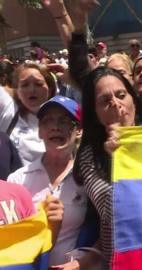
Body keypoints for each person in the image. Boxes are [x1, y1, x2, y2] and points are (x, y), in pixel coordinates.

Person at [7, 95, 96, 268]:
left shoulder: (89, 179)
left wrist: (80, 264)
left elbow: (105, 232)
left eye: (64, 121)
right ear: (40, 131)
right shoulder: (18, 180)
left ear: (78, 130)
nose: (55, 127)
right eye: (47, 121)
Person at [73, 67, 142, 268]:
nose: (116, 103)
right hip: (120, 261)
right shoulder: (89, 157)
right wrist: (119, 160)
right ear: (95, 113)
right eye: (105, 101)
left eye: (121, 95)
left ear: (133, 100)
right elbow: (113, 210)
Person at [0, 63, 57, 165]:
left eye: (38, 84)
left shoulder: (65, 115)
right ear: (17, 91)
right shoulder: (9, 111)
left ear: (51, 88)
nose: (32, 90)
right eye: (25, 85)